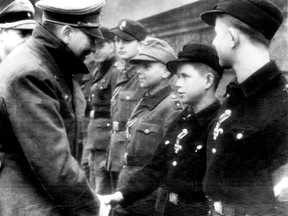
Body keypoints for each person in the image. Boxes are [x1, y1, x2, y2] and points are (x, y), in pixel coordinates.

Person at [0, 0, 105, 215]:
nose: (93, 48)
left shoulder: (48, 64)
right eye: (91, 38)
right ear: (67, 32)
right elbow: (54, 164)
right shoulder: (31, 72)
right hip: (30, 206)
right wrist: (92, 208)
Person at [102, 43, 223, 216]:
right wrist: (122, 194)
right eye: (178, 77)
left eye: (185, 77)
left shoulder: (218, 125)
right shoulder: (185, 118)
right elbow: (157, 167)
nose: (178, 84)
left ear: (208, 80)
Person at [200, 0, 288, 215]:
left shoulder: (281, 102)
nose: (214, 42)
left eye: (217, 34)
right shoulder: (235, 94)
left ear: (232, 38)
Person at [111, 37, 183, 216]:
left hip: (147, 198)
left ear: (167, 72)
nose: (138, 72)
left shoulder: (171, 107)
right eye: (138, 66)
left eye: (147, 66)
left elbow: (168, 164)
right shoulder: (147, 100)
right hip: (129, 188)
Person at [105, 19, 147, 192]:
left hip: (130, 153)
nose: (120, 45)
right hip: (115, 149)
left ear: (141, 44)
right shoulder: (122, 72)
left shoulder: (142, 76)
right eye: (117, 40)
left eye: (126, 41)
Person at [81, 27, 119, 194]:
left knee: (101, 183)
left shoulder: (115, 72)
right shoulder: (98, 70)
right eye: (94, 46)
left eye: (101, 46)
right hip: (93, 134)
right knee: (91, 177)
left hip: (106, 136)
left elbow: (118, 108)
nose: (96, 51)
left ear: (112, 46)